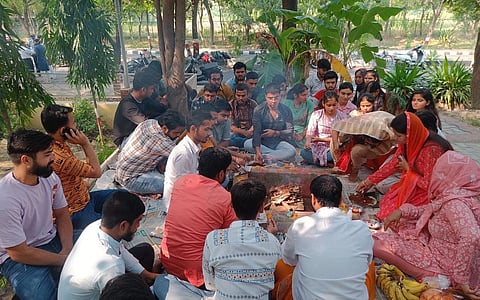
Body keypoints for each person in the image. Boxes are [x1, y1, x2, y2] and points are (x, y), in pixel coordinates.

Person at [373, 151, 480, 300]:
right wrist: (403, 211)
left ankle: (443, 279)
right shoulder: (456, 195)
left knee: (376, 245)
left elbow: (471, 236)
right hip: (438, 250)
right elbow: (431, 208)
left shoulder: (454, 203)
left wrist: (461, 278)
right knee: (397, 226)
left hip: (445, 266)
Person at [0, 129, 74, 300]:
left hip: (51, 239)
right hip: (18, 258)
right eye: (48, 155)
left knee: (100, 245)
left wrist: (68, 249)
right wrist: (62, 260)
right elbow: (19, 253)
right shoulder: (5, 200)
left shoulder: (49, 177)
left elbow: (62, 214)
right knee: (44, 296)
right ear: (26, 160)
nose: (53, 159)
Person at [281, 175, 373, 299]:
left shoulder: (300, 226)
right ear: (341, 200)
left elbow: (288, 260)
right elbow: (366, 261)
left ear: (313, 199)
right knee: (370, 267)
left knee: (287, 266)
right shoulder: (362, 230)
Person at [159, 147, 237, 289]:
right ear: (221, 174)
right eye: (227, 171)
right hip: (197, 274)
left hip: (168, 261)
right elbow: (231, 234)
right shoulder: (224, 197)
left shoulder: (181, 182)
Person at [58, 191, 159, 299]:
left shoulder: (97, 226)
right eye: (138, 221)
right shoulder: (112, 266)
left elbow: (121, 249)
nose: (138, 226)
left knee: (146, 250)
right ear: (123, 225)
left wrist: (145, 274)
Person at [355, 112, 453, 224]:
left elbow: (429, 185)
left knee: (400, 214)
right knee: (389, 200)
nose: (395, 139)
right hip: (415, 182)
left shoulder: (432, 149)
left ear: (410, 133)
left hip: (433, 192)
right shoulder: (407, 141)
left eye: (398, 136)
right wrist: (369, 181)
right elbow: (393, 164)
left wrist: (408, 170)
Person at [41, 104, 117, 230]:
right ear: (63, 130)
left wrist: (82, 184)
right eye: (74, 123)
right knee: (105, 233)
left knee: (124, 198)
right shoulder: (59, 157)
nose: (76, 127)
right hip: (76, 210)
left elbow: (81, 171)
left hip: (85, 197)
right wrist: (85, 143)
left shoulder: (57, 145)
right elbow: (96, 172)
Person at [203, 180, 281, 299]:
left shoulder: (213, 239)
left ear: (232, 205)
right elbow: (273, 274)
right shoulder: (273, 242)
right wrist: (269, 236)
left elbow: (209, 284)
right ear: (261, 208)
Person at [115, 110, 186, 195]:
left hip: (123, 170)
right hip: (131, 179)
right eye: (176, 132)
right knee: (175, 186)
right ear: (164, 128)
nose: (178, 135)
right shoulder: (161, 141)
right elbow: (184, 156)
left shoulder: (150, 122)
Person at [162, 111, 214, 210]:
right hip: (178, 205)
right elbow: (183, 187)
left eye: (210, 130)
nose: (209, 134)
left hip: (189, 194)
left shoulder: (195, 146)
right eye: (206, 130)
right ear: (193, 129)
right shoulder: (184, 153)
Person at [331, 111, 396, 182]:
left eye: (373, 144)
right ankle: (345, 167)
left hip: (388, 147)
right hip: (366, 131)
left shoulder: (390, 134)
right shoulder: (358, 124)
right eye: (369, 142)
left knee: (357, 150)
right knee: (337, 141)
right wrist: (336, 145)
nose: (370, 145)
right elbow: (335, 127)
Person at [244, 83, 296, 162]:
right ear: (266, 97)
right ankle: (276, 156)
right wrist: (258, 151)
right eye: (270, 98)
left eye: (276, 98)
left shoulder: (286, 110)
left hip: (278, 142)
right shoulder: (259, 110)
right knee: (247, 144)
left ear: (280, 97)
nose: (273, 101)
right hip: (262, 142)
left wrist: (276, 132)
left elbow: (290, 131)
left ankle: (268, 156)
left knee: (292, 150)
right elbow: (256, 132)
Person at [302, 91, 347, 166]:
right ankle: (326, 163)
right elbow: (310, 131)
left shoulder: (342, 117)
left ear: (337, 104)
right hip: (317, 146)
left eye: (334, 105)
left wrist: (321, 139)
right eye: (328, 105)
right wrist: (307, 142)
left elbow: (342, 138)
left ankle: (320, 162)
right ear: (323, 104)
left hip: (333, 146)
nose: (331, 108)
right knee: (303, 153)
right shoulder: (316, 114)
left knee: (332, 155)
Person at [112, 69, 156, 147]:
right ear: (143, 90)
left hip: (137, 133)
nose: (153, 91)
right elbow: (145, 124)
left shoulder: (145, 99)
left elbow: (160, 108)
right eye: (151, 89)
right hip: (125, 139)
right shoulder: (127, 105)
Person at [284, 83, 315, 148]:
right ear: (295, 95)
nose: (306, 97)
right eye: (303, 95)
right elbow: (283, 121)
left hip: (303, 131)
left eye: (307, 95)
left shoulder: (310, 104)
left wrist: (302, 135)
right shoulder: (286, 104)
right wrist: (292, 133)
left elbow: (310, 123)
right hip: (288, 130)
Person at [229, 83, 258, 148]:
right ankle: (248, 143)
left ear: (248, 95)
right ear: (235, 95)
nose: (240, 98)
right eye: (238, 95)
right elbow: (230, 126)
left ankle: (249, 143)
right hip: (236, 132)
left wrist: (250, 131)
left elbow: (257, 121)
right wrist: (244, 132)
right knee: (230, 137)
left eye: (243, 96)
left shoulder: (253, 104)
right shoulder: (230, 105)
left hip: (251, 132)